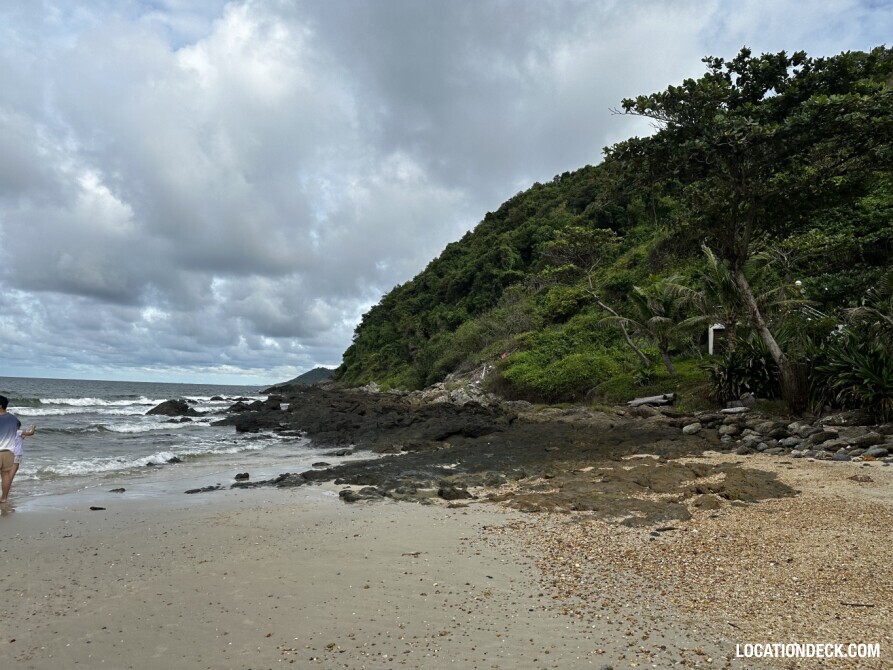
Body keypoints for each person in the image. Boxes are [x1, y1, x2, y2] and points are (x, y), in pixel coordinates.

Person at [0, 395, 20, 504]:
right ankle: (4, 499)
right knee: (5, 475)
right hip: (9, 452)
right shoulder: (13, 418)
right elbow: (18, 426)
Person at [11, 419, 36, 489]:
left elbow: (18, 439)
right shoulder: (19, 431)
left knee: (9, 468)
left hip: (9, 452)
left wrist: (23, 437)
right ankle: (10, 481)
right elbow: (31, 433)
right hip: (17, 452)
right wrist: (33, 428)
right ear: (18, 426)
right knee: (15, 467)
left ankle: (7, 480)